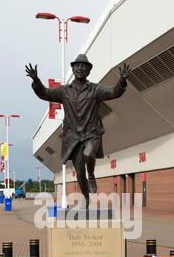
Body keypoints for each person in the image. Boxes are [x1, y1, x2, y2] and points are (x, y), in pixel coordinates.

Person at [26, 54, 131, 207]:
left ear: (89, 71)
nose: (80, 69)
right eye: (77, 66)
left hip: (92, 133)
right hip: (73, 137)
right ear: (73, 69)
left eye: (84, 66)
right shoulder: (64, 91)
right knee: (79, 171)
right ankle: (86, 198)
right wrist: (36, 80)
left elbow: (113, 92)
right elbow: (45, 93)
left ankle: (92, 175)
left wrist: (121, 81)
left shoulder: (95, 89)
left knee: (89, 153)